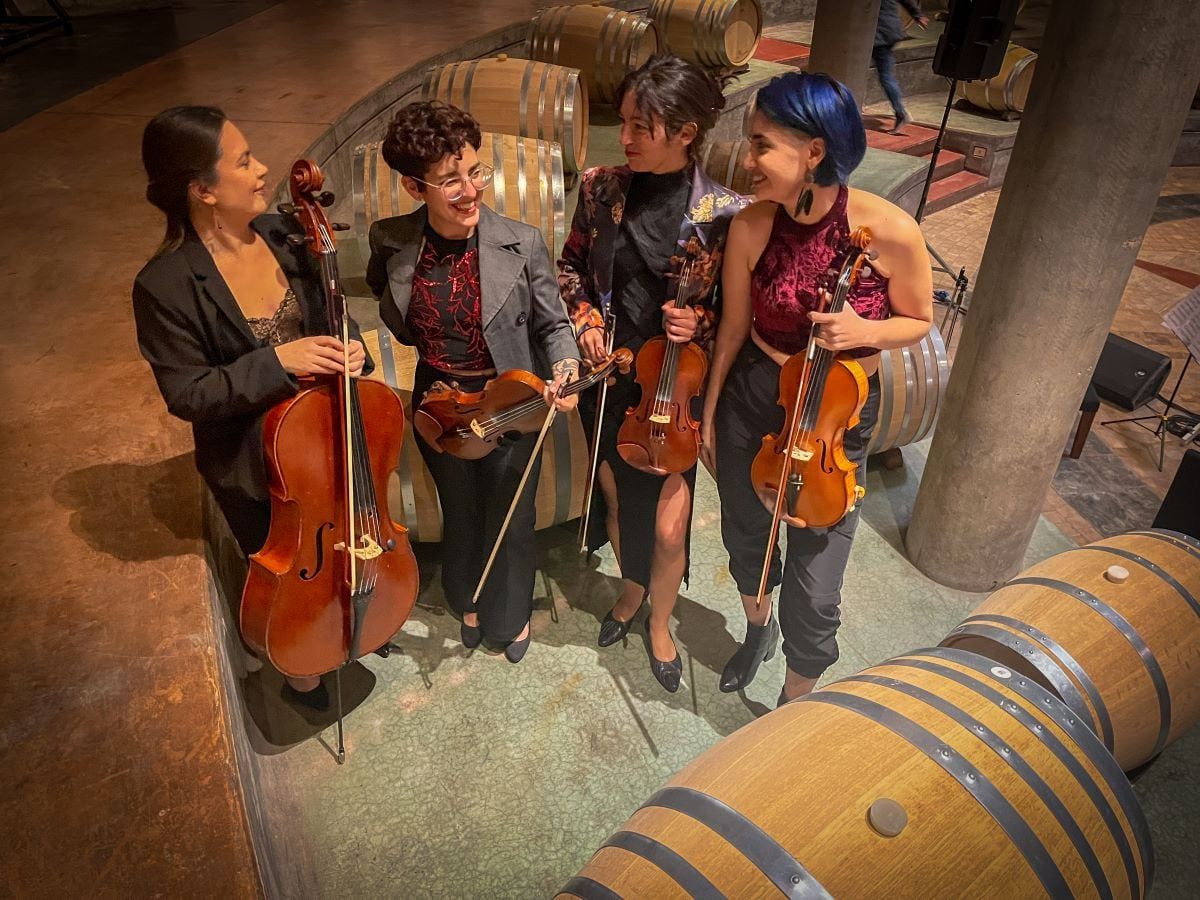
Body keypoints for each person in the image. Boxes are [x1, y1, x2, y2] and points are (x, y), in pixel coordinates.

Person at [701, 72, 933, 704]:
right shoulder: (752, 227)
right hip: (754, 399)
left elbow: (919, 321)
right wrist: (711, 411)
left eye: (760, 145)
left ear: (814, 151)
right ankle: (757, 628)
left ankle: (795, 696)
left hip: (836, 411)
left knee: (817, 576)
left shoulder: (889, 232)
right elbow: (732, 331)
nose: (746, 161)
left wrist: (863, 327)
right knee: (748, 536)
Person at [132, 106, 371, 709]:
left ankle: (357, 608)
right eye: (244, 161)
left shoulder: (290, 237)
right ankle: (302, 663)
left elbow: (335, 318)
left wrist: (354, 349)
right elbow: (188, 394)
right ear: (201, 190)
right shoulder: (164, 286)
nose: (263, 168)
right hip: (255, 463)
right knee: (291, 573)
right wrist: (279, 362)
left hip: (326, 437)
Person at [366, 101, 579, 664]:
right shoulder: (389, 239)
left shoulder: (523, 241)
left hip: (511, 402)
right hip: (440, 405)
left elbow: (554, 324)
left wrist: (565, 370)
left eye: (475, 172)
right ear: (416, 187)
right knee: (460, 508)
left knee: (512, 511)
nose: (470, 190)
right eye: (450, 180)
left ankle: (511, 616)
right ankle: (468, 599)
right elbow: (389, 306)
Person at [559, 55, 748, 692]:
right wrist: (584, 319)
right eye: (627, 123)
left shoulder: (724, 213)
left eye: (643, 126)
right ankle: (632, 588)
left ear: (686, 131)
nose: (627, 138)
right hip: (614, 377)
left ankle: (660, 621)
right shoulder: (601, 187)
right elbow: (571, 271)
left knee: (670, 524)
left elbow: (739, 312)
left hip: (677, 384)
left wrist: (701, 322)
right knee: (617, 499)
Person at [874, 0, 929, 133]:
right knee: (886, 75)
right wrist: (917, 15)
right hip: (888, 29)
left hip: (880, 32)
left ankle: (901, 112)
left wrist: (917, 14)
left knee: (886, 76)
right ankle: (900, 112)